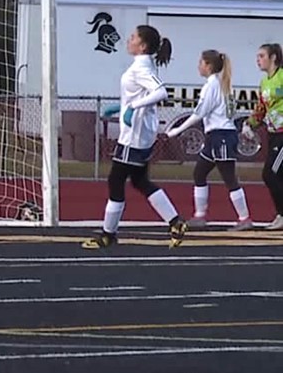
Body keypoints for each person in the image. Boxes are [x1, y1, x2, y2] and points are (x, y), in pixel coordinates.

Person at [84, 25, 190, 250]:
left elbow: (161, 92)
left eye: (133, 37)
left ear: (142, 46)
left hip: (134, 136)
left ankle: (108, 234)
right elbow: (139, 93)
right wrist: (121, 107)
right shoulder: (143, 65)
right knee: (139, 181)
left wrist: (132, 106)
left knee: (116, 181)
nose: (128, 39)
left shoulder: (141, 67)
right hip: (140, 133)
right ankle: (175, 222)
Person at [165, 50, 252, 230]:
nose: (198, 66)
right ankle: (200, 215)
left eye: (201, 63)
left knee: (229, 177)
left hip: (221, 136)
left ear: (209, 66)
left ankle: (244, 218)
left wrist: (178, 130)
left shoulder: (212, 86)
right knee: (199, 173)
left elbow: (200, 112)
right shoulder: (222, 84)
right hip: (216, 136)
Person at [242, 43, 283, 230]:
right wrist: (249, 124)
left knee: (270, 173)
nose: (258, 59)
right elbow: (261, 107)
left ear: (273, 57)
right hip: (273, 134)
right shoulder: (265, 82)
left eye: (262, 56)